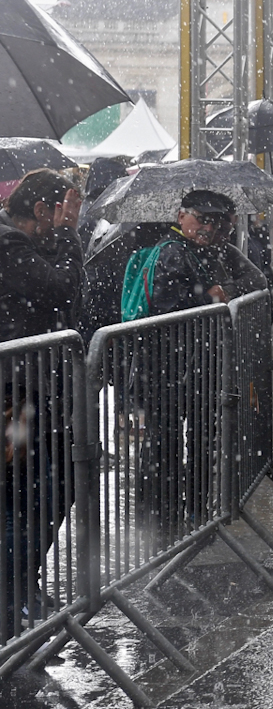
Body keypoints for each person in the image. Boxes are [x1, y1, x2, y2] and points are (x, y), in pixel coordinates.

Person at [0, 169, 83, 621]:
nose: (65, 221)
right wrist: (69, 233)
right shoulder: (8, 243)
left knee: (52, 486)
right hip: (16, 392)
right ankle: (11, 594)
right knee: (27, 494)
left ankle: (20, 583)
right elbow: (59, 290)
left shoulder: (23, 243)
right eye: (60, 212)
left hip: (32, 387)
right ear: (38, 209)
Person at [149, 190, 268, 315]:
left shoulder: (197, 248)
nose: (209, 228)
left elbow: (258, 279)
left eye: (215, 223)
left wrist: (225, 292)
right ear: (181, 217)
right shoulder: (172, 252)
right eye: (203, 219)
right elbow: (168, 309)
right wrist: (210, 299)